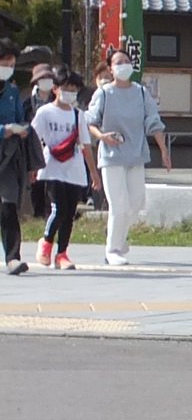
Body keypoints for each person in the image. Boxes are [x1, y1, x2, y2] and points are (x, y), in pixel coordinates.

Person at [82, 52, 172, 268]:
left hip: (136, 155)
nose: (123, 65)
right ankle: (112, 250)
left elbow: (154, 122)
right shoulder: (104, 93)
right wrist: (102, 136)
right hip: (112, 156)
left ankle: (119, 237)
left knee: (137, 201)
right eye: (118, 63)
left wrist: (164, 152)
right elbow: (90, 121)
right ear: (110, 69)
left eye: (127, 62)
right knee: (118, 205)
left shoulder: (141, 93)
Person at [31, 67, 100, 269]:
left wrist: (94, 174)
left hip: (74, 168)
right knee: (59, 207)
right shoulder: (45, 112)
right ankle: (46, 242)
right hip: (52, 166)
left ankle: (62, 253)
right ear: (55, 89)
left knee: (70, 212)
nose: (69, 92)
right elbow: (35, 139)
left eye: (73, 88)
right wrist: (32, 168)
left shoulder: (79, 115)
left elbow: (86, 146)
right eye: (65, 87)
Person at [0, 41, 35, 275]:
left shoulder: (13, 91)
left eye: (11, 64)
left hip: (9, 156)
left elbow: (21, 118)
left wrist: (22, 128)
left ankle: (13, 257)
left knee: (8, 204)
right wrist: (4, 130)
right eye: (4, 63)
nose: (8, 68)